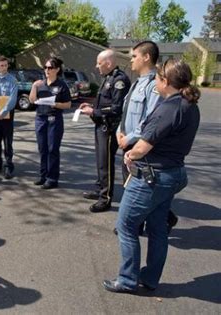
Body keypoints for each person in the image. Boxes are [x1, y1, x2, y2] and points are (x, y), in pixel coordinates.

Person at [103, 59, 200, 293]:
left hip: (152, 176)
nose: (155, 81)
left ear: (166, 81)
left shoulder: (169, 108)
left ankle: (127, 280)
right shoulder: (189, 105)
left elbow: (143, 146)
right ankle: (150, 278)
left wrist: (131, 156)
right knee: (157, 228)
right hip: (172, 173)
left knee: (126, 225)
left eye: (158, 78)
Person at [116, 41, 178, 234]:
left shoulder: (153, 86)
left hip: (140, 145)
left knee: (139, 188)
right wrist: (120, 131)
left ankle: (133, 224)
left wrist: (130, 137)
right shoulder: (136, 82)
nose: (131, 60)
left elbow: (151, 118)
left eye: (134, 56)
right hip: (127, 142)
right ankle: (142, 220)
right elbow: (127, 113)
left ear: (146, 57)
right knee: (129, 184)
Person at [79, 49, 131, 212]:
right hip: (101, 125)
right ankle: (100, 188)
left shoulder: (119, 80)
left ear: (108, 63)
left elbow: (116, 108)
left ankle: (105, 198)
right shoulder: (108, 77)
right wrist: (92, 107)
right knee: (100, 161)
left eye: (99, 63)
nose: (96, 66)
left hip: (109, 127)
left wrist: (93, 112)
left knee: (105, 163)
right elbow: (104, 103)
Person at [29, 57, 72, 189]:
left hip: (54, 119)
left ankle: (52, 178)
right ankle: (43, 176)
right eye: (45, 67)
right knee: (43, 149)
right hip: (40, 118)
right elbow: (32, 100)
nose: (47, 70)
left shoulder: (61, 85)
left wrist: (55, 104)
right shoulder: (40, 84)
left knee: (52, 149)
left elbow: (68, 105)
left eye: (50, 68)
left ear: (57, 69)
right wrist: (34, 87)